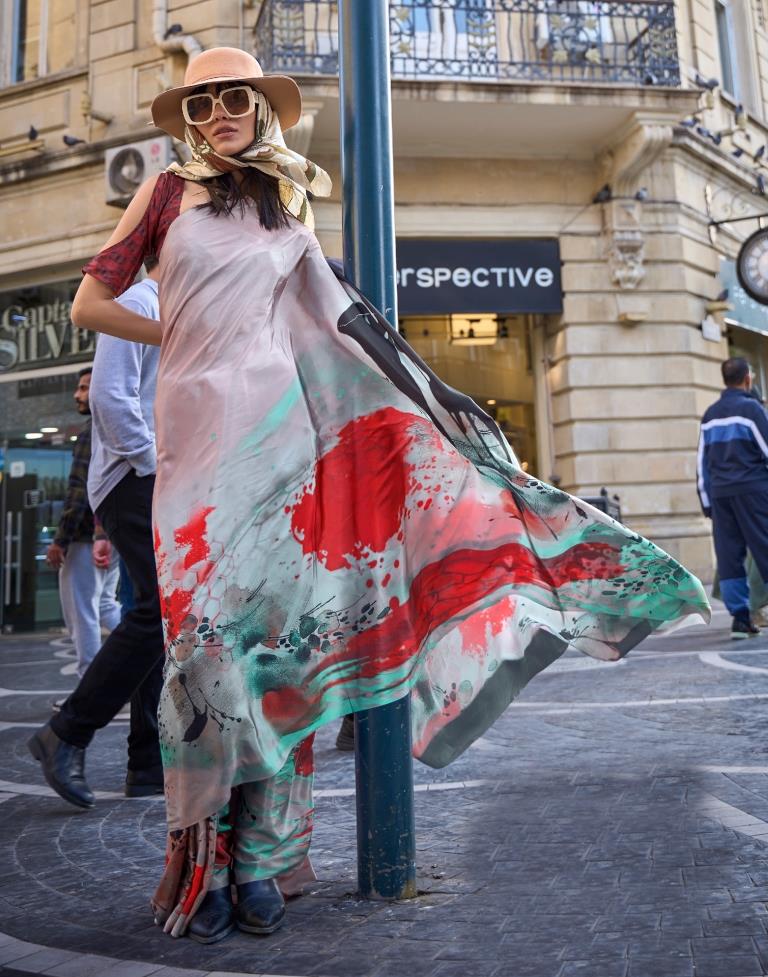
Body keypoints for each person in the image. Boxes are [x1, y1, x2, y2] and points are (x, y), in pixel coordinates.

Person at [56, 47, 708, 944]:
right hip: (194, 448)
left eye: (233, 98)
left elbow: (337, 326)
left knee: (280, 654)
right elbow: (91, 302)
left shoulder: (289, 206)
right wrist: (169, 328)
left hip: (284, 440)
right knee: (205, 661)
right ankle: (202, 859)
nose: (217, 114)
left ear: (260, 107)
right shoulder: (166, 193)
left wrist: (430, 409)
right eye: (200, 103)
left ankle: (262, 861)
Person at [29, 261, 164, 805]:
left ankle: (147, 763)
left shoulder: (180, 307)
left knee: (165, 614)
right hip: (136, 477)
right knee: (159, 609)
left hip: (157, 476)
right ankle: (67, 732)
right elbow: (111, 399)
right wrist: (157, 465)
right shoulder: (138, 303)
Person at [46, 368, 121, 680]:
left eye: (84, 388)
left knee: (82, 615)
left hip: (84, 538)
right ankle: (147, 662)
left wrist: (60, 540)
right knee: (105, 605)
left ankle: (87, 686)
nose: (77, 394)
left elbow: (79, 493)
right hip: (111, 534)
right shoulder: (114, 426)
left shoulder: (92, 431)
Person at [697, 356, 768, 638]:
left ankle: (740, 619)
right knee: (764, 546)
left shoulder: (710, 414)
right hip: (753, 490)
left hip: (720, 495)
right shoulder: (751, 410)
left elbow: (701, 462)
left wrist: (707, 502)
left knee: (729, 556)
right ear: (748, 379)